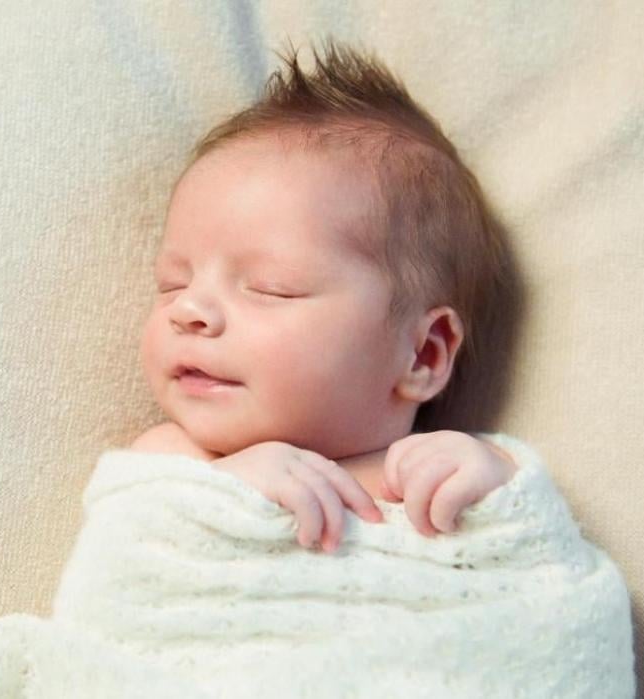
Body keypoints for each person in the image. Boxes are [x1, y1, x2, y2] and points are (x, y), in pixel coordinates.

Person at [131, 40, 522, 554]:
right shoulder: (169, 463)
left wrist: (496, 489)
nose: (188, 310)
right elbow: (121, 563)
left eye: (270, 287)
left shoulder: (458, 470)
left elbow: (549, 565)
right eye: (172, 284)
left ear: (423, 354)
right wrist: (229, 490)